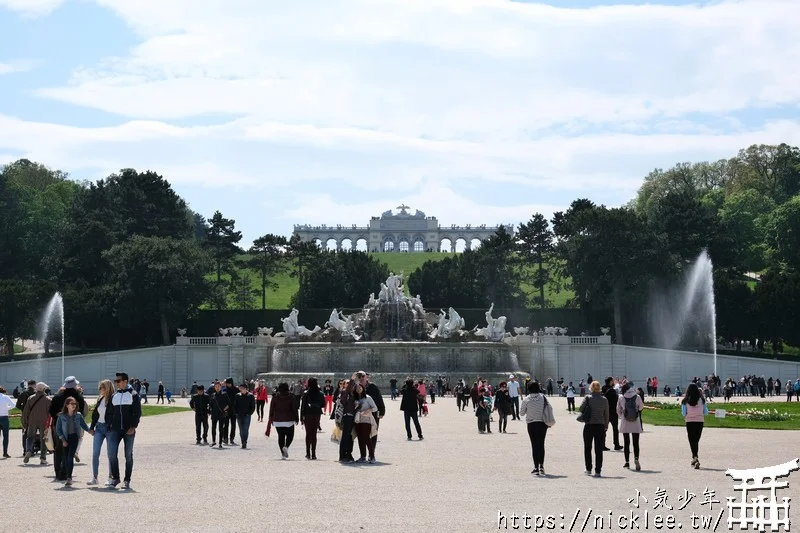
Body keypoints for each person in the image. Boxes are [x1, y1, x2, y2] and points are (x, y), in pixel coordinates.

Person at [106, 372, 141, 490]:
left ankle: (127, 480)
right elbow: (109, 413)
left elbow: (137, 412)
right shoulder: (114, 395)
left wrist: (133, 427)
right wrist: (108, 426)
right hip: (114, 430)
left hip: (128, 430)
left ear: (125, 382)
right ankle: (116, 478)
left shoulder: (133, 395)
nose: (116, 383)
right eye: (115, 381)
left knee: (128, 455)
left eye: (118, 381)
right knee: (111, 455)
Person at [48, 377, 87, 480]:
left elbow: (51, 411)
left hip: (59, 425)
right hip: (73, 427)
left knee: (59, 449)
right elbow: (82, 411)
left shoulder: (57, 396)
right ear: (74, 385)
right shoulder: (78, 397)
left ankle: (57, 472)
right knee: (69, 451)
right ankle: (65, 473)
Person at [55, 397, 93, 486]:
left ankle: (69, 478)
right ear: (67, 405)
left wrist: (90, 431)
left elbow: (83, 425)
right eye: (72, 404)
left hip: (74, 438)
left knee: (69, 457)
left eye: (75, 404)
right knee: (66, 458)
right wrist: (63, 440)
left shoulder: (78, 415)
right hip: (65, 438)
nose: (74, 405)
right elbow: (58, 429)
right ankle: (67, 475)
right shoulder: (61, 416)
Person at [520, 381, 551, 475]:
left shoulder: (526, 399)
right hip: (542, 423)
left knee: (534, 445)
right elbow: (549, 408)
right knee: (541, 444)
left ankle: (536, 467)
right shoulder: (543, 397)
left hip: (531, 424)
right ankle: (542, 466)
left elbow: (521, 413)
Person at [580, 381, 609, 477]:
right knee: (599, 449)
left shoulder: (588, 398)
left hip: (589, 425)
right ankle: (598, 470)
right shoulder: (604, 399)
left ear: (591, 388)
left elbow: (580, 409)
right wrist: (606, 425)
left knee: (587, 448)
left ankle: (588, 468)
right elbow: (606, 414)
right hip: (600, 425)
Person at [87, 379, 114, 485]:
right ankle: (94, 477)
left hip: (109, 429)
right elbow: (95, 415)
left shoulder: (113, 399)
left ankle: (111, 477)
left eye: (101, 387)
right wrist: (92, 427)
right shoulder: (100, 398)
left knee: (110, 454)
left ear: (107, 388)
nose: (100, 389)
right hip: (99, 428)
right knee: (95, 453)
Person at [266, 382, 298, 459]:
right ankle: (286, 446)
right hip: (289, 420)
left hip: (277, 420)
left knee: (281, 436)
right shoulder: (291, 397)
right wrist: (297, 418)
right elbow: (294, 408)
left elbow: (272, 408)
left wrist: (271, 418)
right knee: (290, 436)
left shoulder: (275, 397)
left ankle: (283, 454)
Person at [22, 382, 51, 465]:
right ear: (44, 389)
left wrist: (24, 422)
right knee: (44, 439)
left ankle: (28, 451)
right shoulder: (48, 399)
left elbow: (26, 411)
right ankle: (43, 458)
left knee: (30, 437)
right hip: (44, 422)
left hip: (32, 421)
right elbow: (50, 413)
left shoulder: (30, 398)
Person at [617, 382, 644, 471]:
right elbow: (641, 408)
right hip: (635, 421)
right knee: (636, 442)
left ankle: (627, 462)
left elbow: (618, 410)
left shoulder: (621, 397)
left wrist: (622, 416)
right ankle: (636, 458)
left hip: (625, 421)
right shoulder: (637, 396)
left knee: (626, 442)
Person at [681, 383, 708, 469]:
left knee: (692, 440)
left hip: (690, 422)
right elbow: (706, 412)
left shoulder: (685, 401)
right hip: (699, 421)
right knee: (696, 440)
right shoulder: (702, 400)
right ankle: (695, 457)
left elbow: (683, 413)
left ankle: (695, 457)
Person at [353, 384, 379, 463]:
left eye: (360, 387)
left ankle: (372, 456)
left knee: (366, 437)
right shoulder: (354, 398)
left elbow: (375, 408)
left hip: (366, 419)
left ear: (363, 388)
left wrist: (368, 410)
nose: (359, 389)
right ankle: (362, 456)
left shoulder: (368, 398)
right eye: (357, 388)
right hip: (358, 419)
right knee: (360, 438)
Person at [300, 378, 325, 460]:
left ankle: (308, 453)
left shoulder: (306, 393)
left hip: (308, 414)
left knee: (308, 434)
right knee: (314, 434)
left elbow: (302, 406)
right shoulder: (320, 393)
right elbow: (323, 404)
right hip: (316, 414)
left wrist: (301, 418)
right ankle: (314, 454)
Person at [362, 373, 385, 456]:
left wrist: (382, 411)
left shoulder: (373, 386)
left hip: (374, 413)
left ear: (367, 378)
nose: (361, 379)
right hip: (362, 414)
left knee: (373, 432)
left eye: (363, 377)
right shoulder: (357, 387)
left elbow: (379, 398)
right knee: (363, 433)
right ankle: (363, 454)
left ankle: (371, 453)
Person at [602, 377, 623, 451]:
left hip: (605, 412)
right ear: (610, 381)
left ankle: (602, 444)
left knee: (604, 429)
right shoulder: (612, 391)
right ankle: (616, 444)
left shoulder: (603, 389)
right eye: (613, 381)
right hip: (613, 412)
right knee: (615, 429)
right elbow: (616, 401)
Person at [16, 379, 37, 451]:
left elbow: (17, 405)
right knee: (33, 433)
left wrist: (24, 409)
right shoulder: (36, 394)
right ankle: (32, 448)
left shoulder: (23, 393)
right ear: (34, 385)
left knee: (25, 432)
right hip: (34, 416)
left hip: (25, 415)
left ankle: (25, 449)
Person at [234, 383, 255, 449]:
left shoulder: (250, 396)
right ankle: (242, 441)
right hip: (239, 415)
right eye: (240, 388)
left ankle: (245, 441)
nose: (241, 390)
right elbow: (235, 405)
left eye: (243, 388)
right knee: (241, 429)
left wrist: (249, 413)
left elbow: (253, 406)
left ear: (246, 389)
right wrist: (236, 413)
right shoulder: (237, 395)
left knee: (245, 429)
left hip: (247, 415)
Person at [210, 381, 231, 448]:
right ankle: (213, 441)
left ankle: (220, 443)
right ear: (214, 387)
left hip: (221, 414)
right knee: (213, 428)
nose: (217, 388)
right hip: (214, 414)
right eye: (216, 387)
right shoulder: (213, 395)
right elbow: (211, 405)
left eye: (218, 386)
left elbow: (229, 404)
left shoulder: (224, 394)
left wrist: (224, 409)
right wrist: (210, 409)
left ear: (221, 386)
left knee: (221, 428)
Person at [0, 387, 16, 458]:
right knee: (5, 436)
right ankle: (5, 452)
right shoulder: (5, 397)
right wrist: (6, 408)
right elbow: (13, 405)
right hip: (4, 417)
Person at [224, 378, 239, 445]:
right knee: (226, 425)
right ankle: (225, 438)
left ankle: (232, 438)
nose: (228, 384)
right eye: (227, 383)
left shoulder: (236, 390)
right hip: (226, 410)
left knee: (233, 425)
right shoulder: (224, 390)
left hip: (234, 410)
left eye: (229, 383)